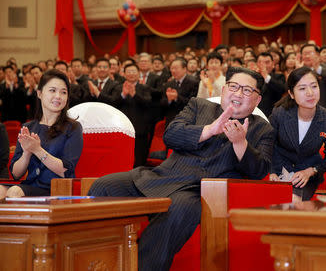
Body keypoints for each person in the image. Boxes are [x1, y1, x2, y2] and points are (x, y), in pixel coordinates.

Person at [88, 67, 274, 271]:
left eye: (247, 90)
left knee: (178, 209)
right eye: (234, 86)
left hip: (200, 192)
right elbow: (171, 135)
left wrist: (240, 143)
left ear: (257, 100)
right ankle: (94, 261)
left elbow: (259, 171)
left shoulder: (262, 129)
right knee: (103, 186)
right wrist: (209, 130)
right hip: (162, 177)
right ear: (223, 90)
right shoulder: (199, 106)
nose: (238, 94)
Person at [0, 69, 83, 198]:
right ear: (39, 93)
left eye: (63, 92)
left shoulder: (73, 127)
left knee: (14, 192)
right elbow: (16, 174)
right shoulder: (28, 127)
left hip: (57, 189)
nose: (58, 96)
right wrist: (27, 153)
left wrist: (37, 150)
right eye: (52, 90)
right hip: (30, 185)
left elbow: (66, 171)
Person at [269, 67, 326, 200]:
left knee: (293, 202)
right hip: (279, 171)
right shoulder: (279, 113)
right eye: (302, 89)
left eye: (314, 86)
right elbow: (268, 145)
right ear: (291, 94)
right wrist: (272, 171)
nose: (310, 93)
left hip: (307, 176)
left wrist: (311, 171)